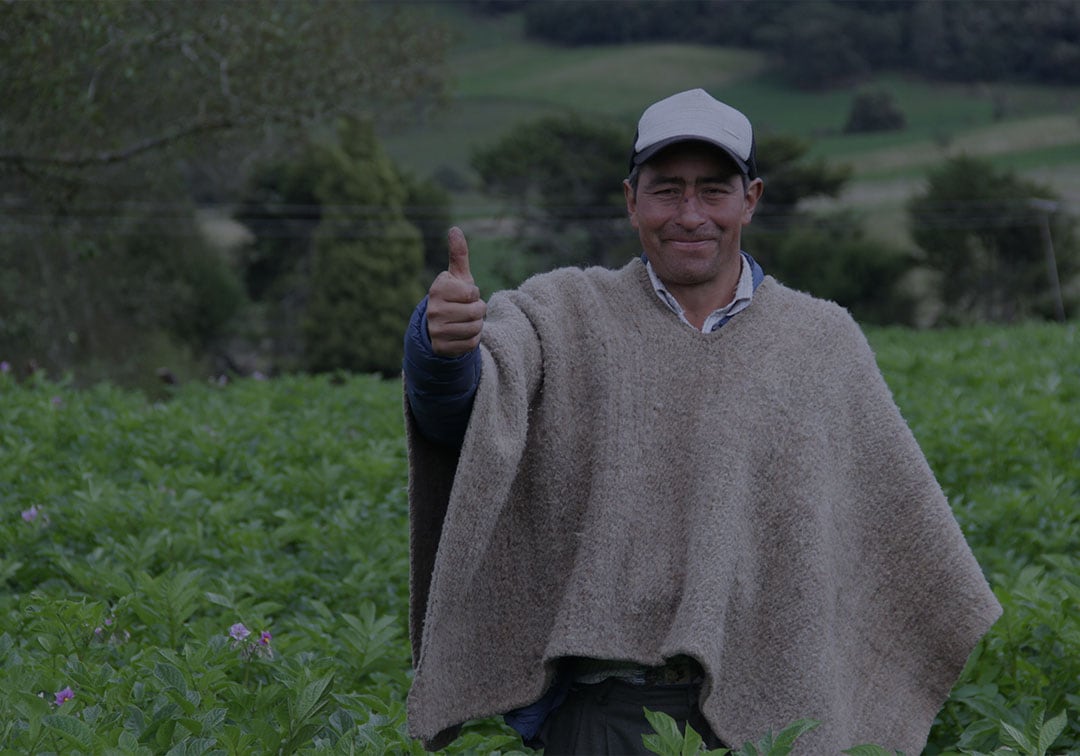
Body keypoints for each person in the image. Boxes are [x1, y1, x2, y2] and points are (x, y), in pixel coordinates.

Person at [402, 88, 1001, 754]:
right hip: (605, 720)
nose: (690, 215)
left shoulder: (820, 342)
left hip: (772, 727)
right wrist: (443, 349)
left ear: (751, 199)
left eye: (714, 190)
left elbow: (894, 528)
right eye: (667, 190)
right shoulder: (563, 312)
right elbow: (464, 412)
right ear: (631, 201)